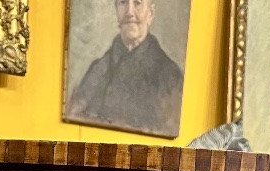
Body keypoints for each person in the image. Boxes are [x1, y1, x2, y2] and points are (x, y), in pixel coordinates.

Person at [68, 0, 184, 138]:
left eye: (137, 3)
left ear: (150, 13)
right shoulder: (96, 70)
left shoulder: (170, 76)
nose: (129, 12)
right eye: (123, 2)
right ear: (116, 10)